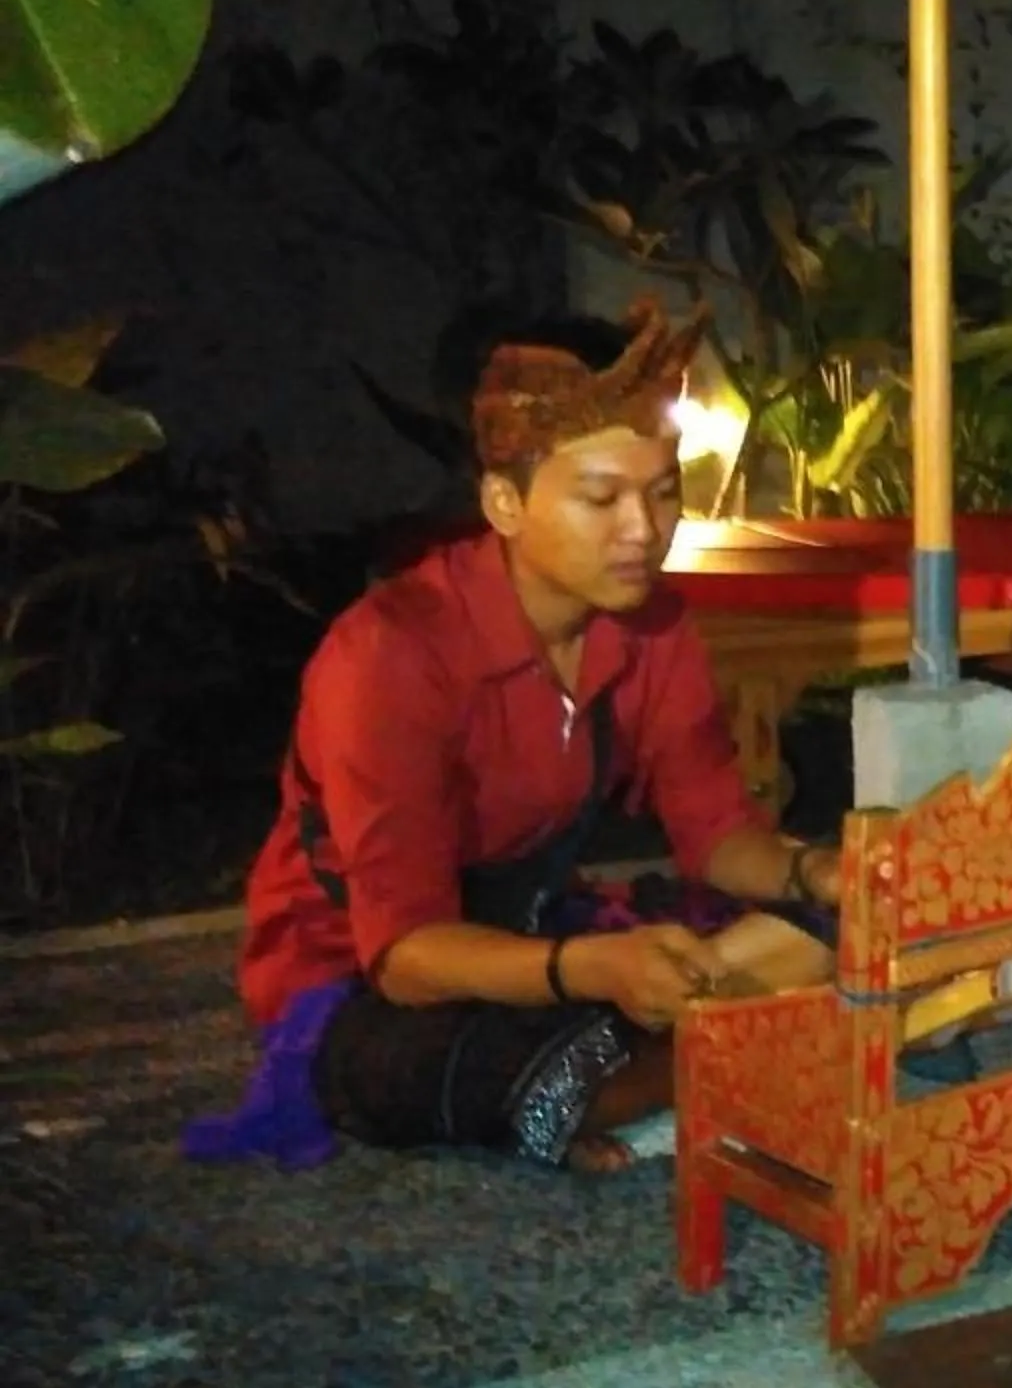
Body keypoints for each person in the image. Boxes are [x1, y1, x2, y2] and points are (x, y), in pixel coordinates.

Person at [182, 300, 838, 1177]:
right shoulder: (390, 652)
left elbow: (717, 834)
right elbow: (409, 953)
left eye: (664, 491)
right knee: (440, 1064)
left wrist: (817, 872)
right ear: (503, 502)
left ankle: (663, 1051)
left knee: (843, 920)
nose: (644, 531)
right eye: (602, 498)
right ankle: (686, 1054)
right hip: (370, 970)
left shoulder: (651, 626)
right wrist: (595, 968)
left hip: (540, 937)